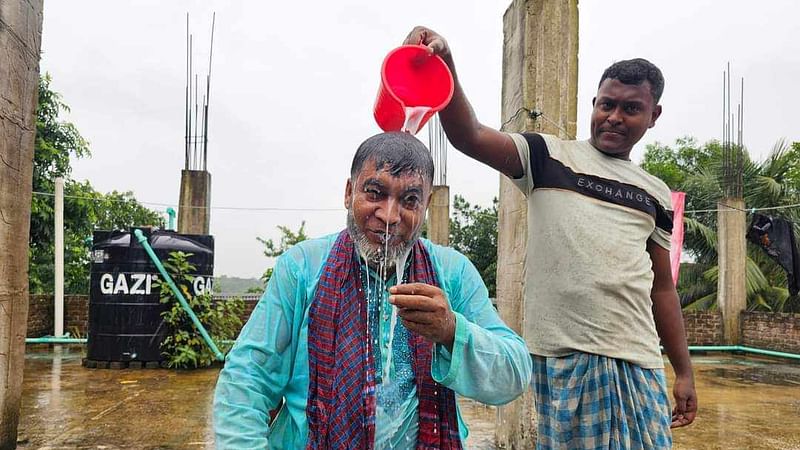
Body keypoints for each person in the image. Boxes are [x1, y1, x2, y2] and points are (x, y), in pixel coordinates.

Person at [403, 26, 698, 449]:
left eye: (631, 108)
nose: (614, 117)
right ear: (594, 103)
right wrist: (446, 63)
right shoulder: (546, 156)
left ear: (654, 116)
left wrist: (684, 371)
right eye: (606, 104)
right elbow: (467, 134)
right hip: (565, 358)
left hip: (639, 360)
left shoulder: (654, 193)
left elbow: (662, 288)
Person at [213, 132, 532, 449]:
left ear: (426, 205)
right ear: (349, 192)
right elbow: (247, 380)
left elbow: (515, 375)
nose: (390, 216)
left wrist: (451, 331)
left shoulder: (452, 273)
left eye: (409, 200)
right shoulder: (302, 267)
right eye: (375, 192)